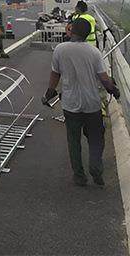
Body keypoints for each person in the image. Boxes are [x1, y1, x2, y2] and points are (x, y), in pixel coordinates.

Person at [44, 17, 120, 186]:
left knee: (73, 140)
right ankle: (95, 168)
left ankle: (79, 175)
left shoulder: (60, 49)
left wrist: (49, 93)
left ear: (72, 30)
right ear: (87, 33)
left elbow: (55, 74)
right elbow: (104, 80)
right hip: (91, 104)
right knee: (96, 138)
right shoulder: (94, 52)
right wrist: (114, 90)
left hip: (70, 105)